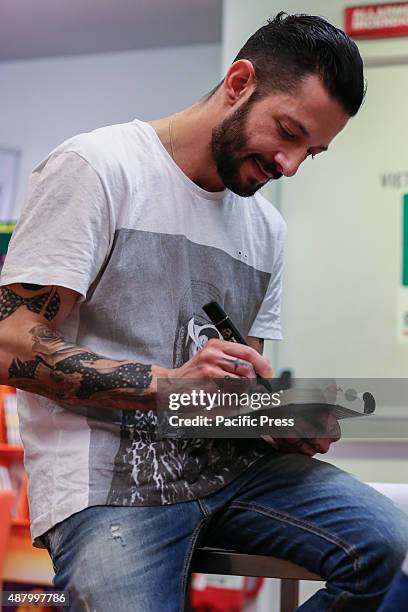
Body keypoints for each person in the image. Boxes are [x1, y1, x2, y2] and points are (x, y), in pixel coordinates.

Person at [0, 11, 407, 611]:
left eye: (311, 153)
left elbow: (228, 397)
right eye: (288, 132)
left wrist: (278, 418)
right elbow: (11, 344)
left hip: (228, 472)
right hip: (110, 484)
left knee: (385, 544)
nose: (290, 165)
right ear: (240, 82)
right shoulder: (99, 169)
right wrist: (169, 386)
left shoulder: (266, 229)